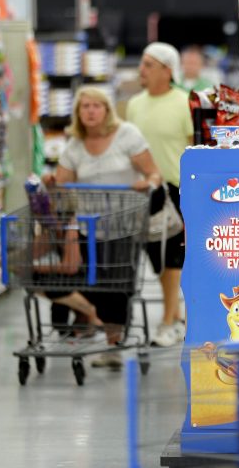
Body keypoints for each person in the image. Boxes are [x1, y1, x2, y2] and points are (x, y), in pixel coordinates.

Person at [54, 86, 162, 368]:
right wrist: (54, 185)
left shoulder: (127, 135)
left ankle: (113, 344)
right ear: (78, 113)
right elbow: (62, 184)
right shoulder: (74, 144)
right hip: (89, 228)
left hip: (124, 225)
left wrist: (147, 183)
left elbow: (153, 173)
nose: (90, 111)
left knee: (119, 284)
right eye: (84, 106)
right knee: (96, 284)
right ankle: (102, 328)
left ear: (107, 110)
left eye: (96, 106)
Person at [127, 42, 192, 347]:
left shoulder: (184, 103)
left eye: (148, 65)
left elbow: (195, 148)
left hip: (178, 190)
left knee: (173, 260)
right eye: (142, 63)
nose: (141, 70)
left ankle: (169, 321)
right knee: (156, 260)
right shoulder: (135, 105)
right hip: (145, 192)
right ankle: (175, 315)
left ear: (167, 71)